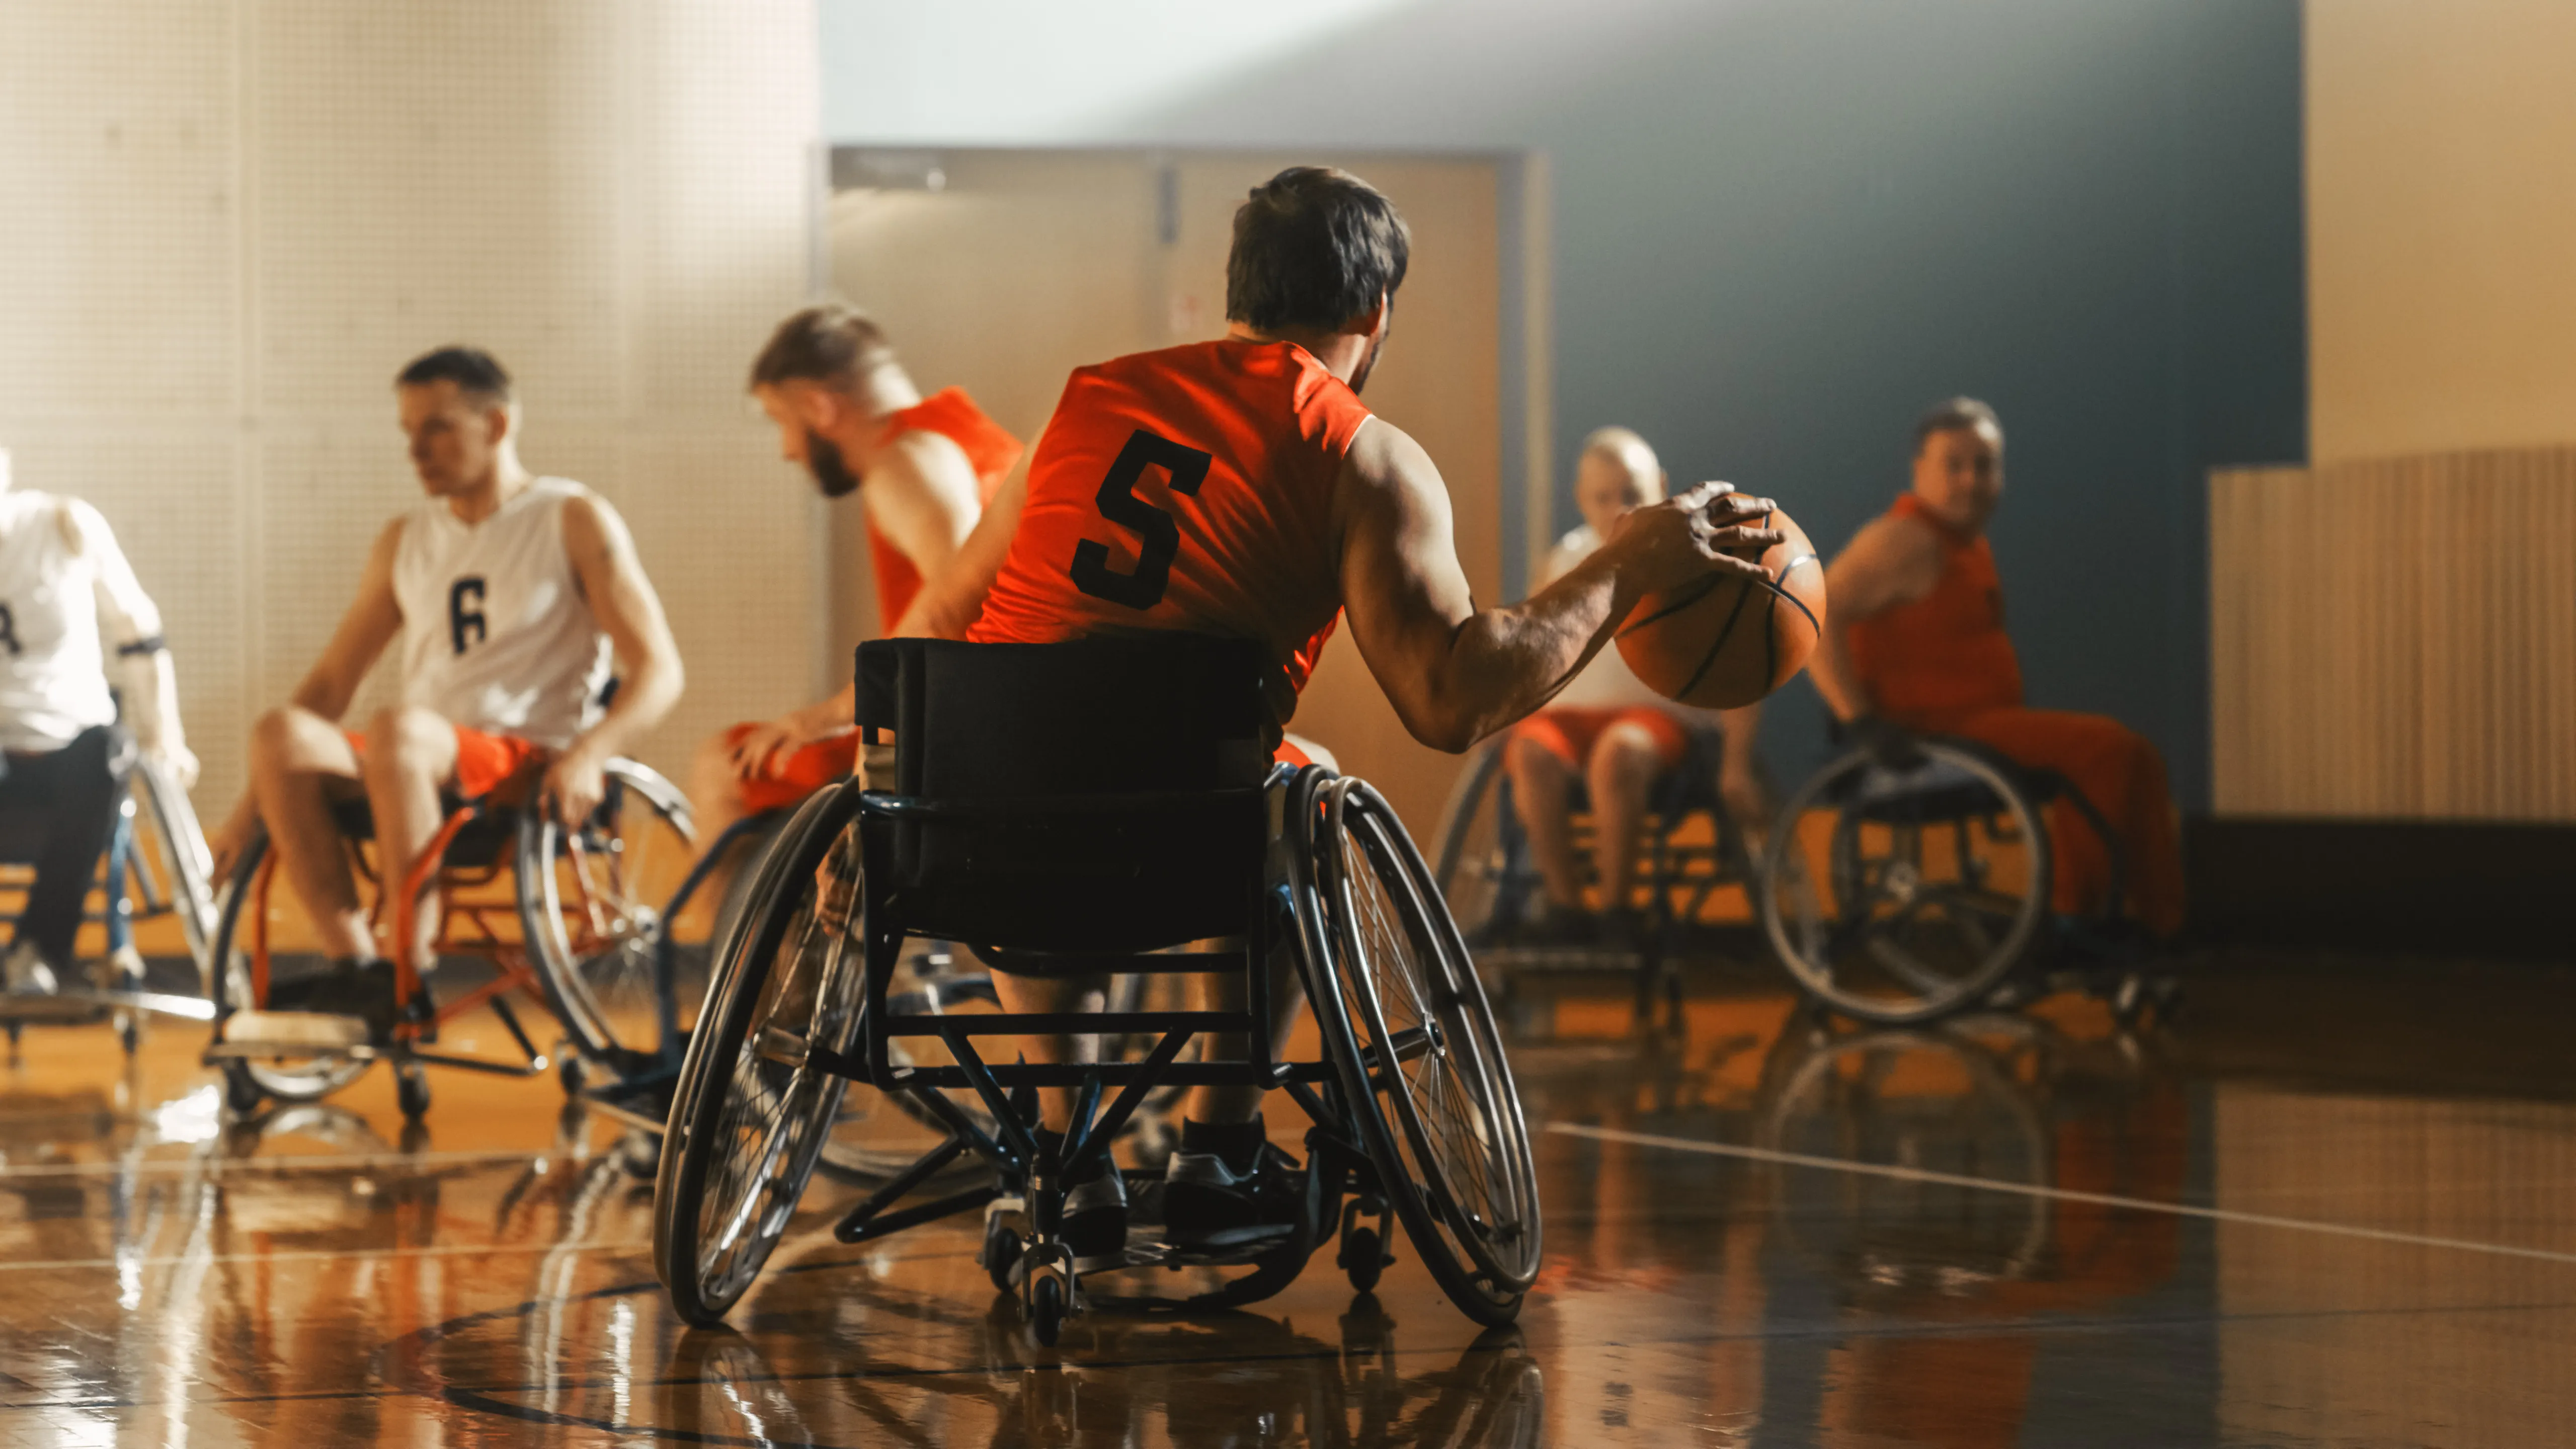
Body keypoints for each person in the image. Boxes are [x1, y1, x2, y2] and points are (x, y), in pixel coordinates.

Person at [910, 166, 1782, 1266]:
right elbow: (1451, 698)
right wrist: (1627, 564)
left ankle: (1066, 1152)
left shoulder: (1085, 401)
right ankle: (1219, 1149)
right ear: (1376, 313)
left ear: (1236, 297)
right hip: (1173, 831)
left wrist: (877, 765)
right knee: (1291, 792)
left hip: (976, 815)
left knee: (1097, 763)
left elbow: (947, 607)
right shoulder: (1360, 452)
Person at [208, 347, 685, 1038]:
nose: (416, 450)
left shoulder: (572, 517)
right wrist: (242, 813)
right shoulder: (405, 538)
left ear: (496, 424)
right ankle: (360, 970)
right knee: (281, 732)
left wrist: (591, 753)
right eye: (408, 432)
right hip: (414, 758)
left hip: (521, 758)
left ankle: (412, 971)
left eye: (436, 428)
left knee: (401, 728)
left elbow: (660, 669)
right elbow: (332, 682)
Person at [1804, 397, 2185, 939]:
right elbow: (1811, 614)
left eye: (1984, 465)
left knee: (2136, 757)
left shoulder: (1963, 544)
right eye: (1953, 465)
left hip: (1977, 724)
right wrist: (1858, 721)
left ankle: (2159, 925)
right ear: (1918, 473)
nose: (1970, 481)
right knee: (2108, 750)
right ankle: (2071, 917)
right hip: (1934, 732)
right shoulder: (1903, 539)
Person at [688, 305, 1023, 853]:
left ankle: (735, 943)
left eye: (781, 421)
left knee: (721, 764)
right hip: (999, 717)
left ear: (820, 407)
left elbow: (951, 625)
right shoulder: (969, 438)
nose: (786, 450)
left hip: (947, 741)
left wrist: (857, 760)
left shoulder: (905, 463)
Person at [1503, 426, 1766, 946]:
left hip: (1657, 722)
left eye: (1631, 494)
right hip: (1571, 720)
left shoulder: (1697, 560)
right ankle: (1566, 910)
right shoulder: (1565, 559)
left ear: (1662, 487)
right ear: (1581, 499)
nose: (1618, 510)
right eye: (1603, 498)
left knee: (1617, 752)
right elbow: (1530, 653)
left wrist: (1737, 763)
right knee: (1528, 751)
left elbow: (1741, 667)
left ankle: (1617, 911)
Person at [0, 447, 198, 995]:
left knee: (114, 746)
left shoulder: (63, 525)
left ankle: (40, 948)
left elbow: (138, 630)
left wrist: (167, 736)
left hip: (73, 753)